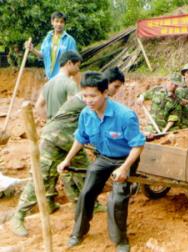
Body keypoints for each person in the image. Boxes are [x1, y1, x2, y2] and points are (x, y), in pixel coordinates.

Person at [9, 68, 125, 237]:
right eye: (116, 86)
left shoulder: (94, 99)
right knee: (45, 176)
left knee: (81, 172)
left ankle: (76, 203)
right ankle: (17, 217)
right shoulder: (91, 100)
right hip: (56, 138)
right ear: (106, 86)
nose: (116, 91)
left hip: (67, 139)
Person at [56, 71, 144, 252]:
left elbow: (137, 146)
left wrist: (125, 168)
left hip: (125, 159)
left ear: (105, 93)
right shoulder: (86, 114)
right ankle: (78, 232)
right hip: (103, 158)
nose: (88, 100)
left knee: (116, 199)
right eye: (85, 95)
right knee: (86, 192)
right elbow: (80, 138)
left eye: (93, 96)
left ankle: (120, 241)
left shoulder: (125, 116)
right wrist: (67, 160)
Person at [25, 11, 77, 79]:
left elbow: (74, 61)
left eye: (61, 22)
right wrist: (32, 49)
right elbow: (42, 55)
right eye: (57, 21)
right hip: (50, 77)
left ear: (64, 24)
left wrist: (71, 77)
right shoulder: (48, 38)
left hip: (63, 78)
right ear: (52, 22)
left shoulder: (70, 40)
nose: (59, 24)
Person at [35, 50, 82, 121]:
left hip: (50, 128)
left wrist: (48, 122)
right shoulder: (70, 84)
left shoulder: (48, 84)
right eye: (77, 66)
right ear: (69, 63)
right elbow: (73, 110)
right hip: (65, 129)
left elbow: (38, 106)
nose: (78, 69)